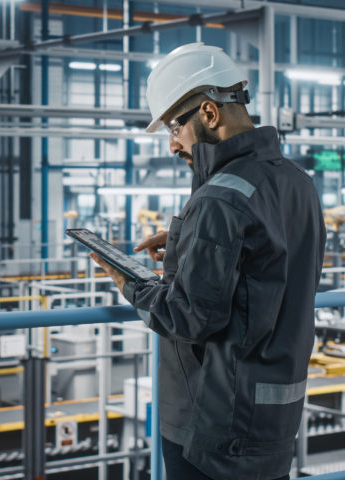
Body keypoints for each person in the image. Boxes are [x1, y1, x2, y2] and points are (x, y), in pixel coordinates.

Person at [90, 43, 326, 480]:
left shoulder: (219, 198)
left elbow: (189, 316)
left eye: (175, 126)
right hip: (275, 415)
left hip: (216, 427)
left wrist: (126, 280)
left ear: (209, 113)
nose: (172, 143)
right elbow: (268, 268)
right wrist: (185, 242)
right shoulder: (298, 182)